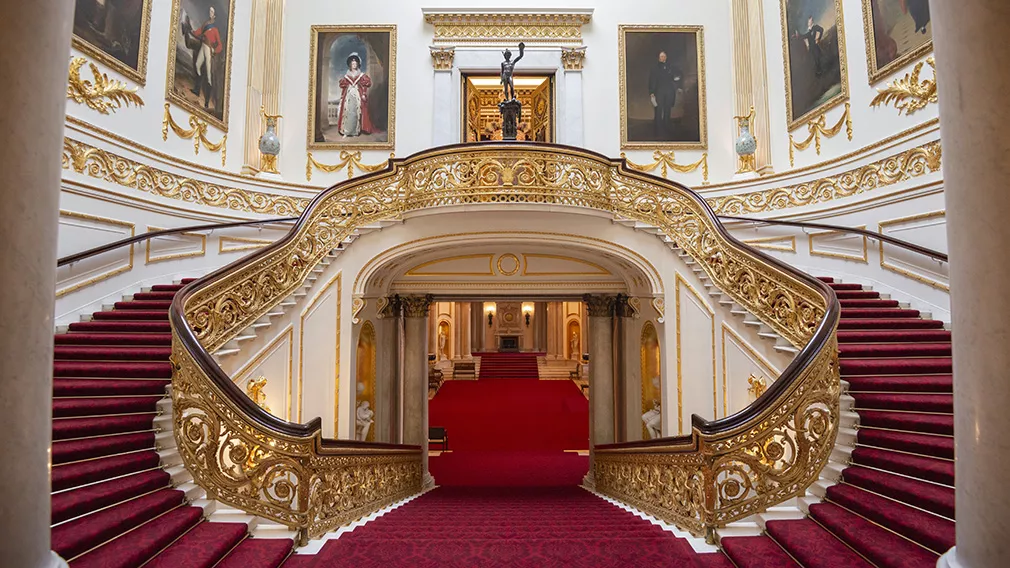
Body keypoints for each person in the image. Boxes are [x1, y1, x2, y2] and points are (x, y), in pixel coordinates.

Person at [182, 7, 223, 109]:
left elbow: (220, 46)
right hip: (202, 47)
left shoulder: (215, 30)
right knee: (197, 67)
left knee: (208, 76)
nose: (210, 13)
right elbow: (196, 33)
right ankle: (196, 89)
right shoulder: (205, 25)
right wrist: (189, 28)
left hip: (209, 51)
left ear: (214, 15)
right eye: (210, 11)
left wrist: (214, 51)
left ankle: (206, 102)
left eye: (212, 12)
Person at [337, 53, 374, 137]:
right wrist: (342, 97)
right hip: (348, 95)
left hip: (357, 95)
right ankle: (346, 131)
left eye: (355, 63)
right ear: (350, 64)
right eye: (352, 64)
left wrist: (364, 94)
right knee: (348, 112)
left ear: (358, 64)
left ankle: (355, 131)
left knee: (356, 112)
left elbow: (365, 85)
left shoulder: (361, 75)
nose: (354, 65)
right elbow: (343, 86)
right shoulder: (347, 75)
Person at [648, 51, 683, 138]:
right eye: (661, 56)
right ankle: (658, 131)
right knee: (658, 111)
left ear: (666, 57)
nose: (662, 58)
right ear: (659, 58)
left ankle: (667, 128)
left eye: (664, 56)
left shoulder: (670, 67)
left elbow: (677, 76)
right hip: (659, 92)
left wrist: (677, 83)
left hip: (669, 91)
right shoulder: (655, 68)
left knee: (667, 110)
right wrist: (652, 93)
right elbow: (652, 81)